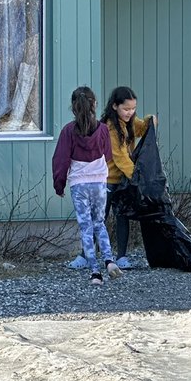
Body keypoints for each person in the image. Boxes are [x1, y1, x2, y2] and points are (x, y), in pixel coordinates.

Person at [52, 87, 122, 285]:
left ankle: (95, 273)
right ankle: (109, 260)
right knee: (99, 223)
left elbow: (61, 160)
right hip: (100, 182)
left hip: (79, 185)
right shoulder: (102, 130)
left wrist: (59, 184)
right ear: (94, 105)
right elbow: (107, 155)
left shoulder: (68, 131)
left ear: (73, 107)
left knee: (86, 227)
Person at [103, 86, 155, 270]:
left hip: (124, 179)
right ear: (115, 106)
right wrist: (136, 175)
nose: (130, 112)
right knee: (100, 217)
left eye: (133, 108)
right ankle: (89, 255)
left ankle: (122, 257)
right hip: (108, 179)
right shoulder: (110, 127)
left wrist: (150, 120)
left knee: (122, 216)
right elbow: (120, 156)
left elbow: (142, 128)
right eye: (126, 109)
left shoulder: (129, 122)